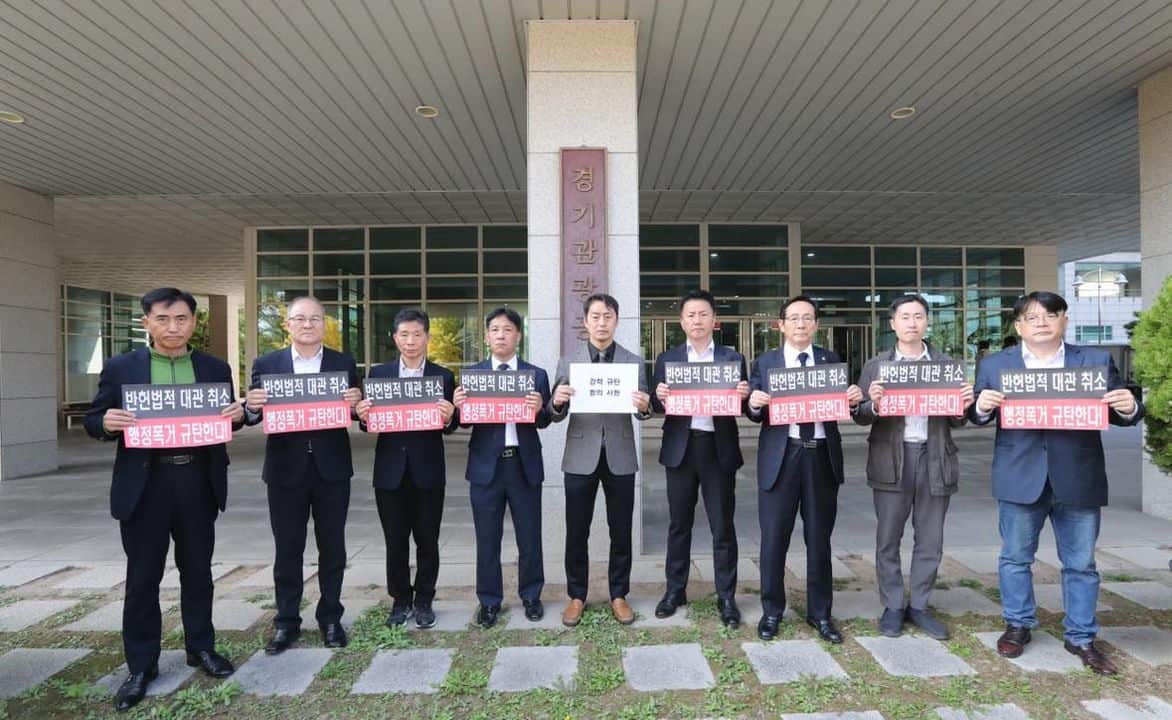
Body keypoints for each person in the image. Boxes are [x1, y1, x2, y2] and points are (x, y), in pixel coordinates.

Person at [86, 287, 244, 712]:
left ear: (194, 322)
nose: (172, 327)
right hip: (146, 482)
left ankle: (201, 647)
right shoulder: (122, 368)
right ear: (147, 323)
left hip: (197, 478)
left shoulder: (213, 367)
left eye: (181, 319)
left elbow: (229, 416)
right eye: (163, 319)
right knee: (143, 577)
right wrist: (104, 421)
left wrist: (239, 414)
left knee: (198, 571)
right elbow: (92, 417)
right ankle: (141, 664)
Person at [970, 291, 1143, 675]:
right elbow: (976, 412)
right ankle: (1018, 624)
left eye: (1051, 315)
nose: (1042, 322)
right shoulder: (998, 364)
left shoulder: (1094, 361)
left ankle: (1081, 636)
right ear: (1019, 327)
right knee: (1015, 558)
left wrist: (1130, 408)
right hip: (1019, 475)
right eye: (1032, 317)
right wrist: (982, 407)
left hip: (1078, 475)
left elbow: (1121, 410)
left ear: (1064, 320)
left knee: (1081, 563)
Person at [852, 294, 974, 639]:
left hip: (934, 456)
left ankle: (919, 605)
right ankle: (892, 604)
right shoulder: (876, 366)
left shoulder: (946, 365)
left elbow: (958, 419)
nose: (911, 322)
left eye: (918, 316)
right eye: (904, 316)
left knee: (930, 539)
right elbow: (859, 415)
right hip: (892, 457)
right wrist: (872, 403)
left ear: (927, 322)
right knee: (888, 537)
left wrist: (962, 405)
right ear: (893, 324)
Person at [244, 296, 361, 655]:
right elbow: (254, 414)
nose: (307, 325)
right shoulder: (267, 364)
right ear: (288, 325)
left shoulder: (343, 363)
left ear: (324, 324)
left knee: (333, 548)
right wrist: (251, 406)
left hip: (332, 469)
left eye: (314, 319)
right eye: (300, 319)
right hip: (284, 470)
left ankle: (330, 618)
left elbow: (359, 413)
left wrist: (357, 403)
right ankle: (286, 622)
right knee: (288, 549)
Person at [747, 295, 863, 643]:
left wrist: (852, 397)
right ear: (780, 325)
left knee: (819, 540)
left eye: (807, 318)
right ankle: (771, 612)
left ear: (816, 325)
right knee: (773, 541)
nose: (800, 324)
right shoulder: (765, 363)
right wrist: (753, 403)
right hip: (781, 459)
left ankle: (821, 614)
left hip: (820, 457)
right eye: (793, 318)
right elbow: (753, 409)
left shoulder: (829, 361)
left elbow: (843, 404)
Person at [548, 293, 652, 626]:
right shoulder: (569, 361)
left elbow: (643, 414)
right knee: (576, 531)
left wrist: (644, 406)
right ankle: (576, 595)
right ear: (586, 320)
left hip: (620, 455)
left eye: (607, 316)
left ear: (616, 321)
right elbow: (554, 413)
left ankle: (619, 594)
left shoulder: (634, 362)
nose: (601, 322)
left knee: (620, 530)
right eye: (595, 316)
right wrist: (558, 401)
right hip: (580, 455)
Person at [650, 289, 750, 628]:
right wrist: (659, 396)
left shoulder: (731, 359)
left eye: (703, 314)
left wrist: (743, 395)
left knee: (723, 527)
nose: (697, 320)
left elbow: (745, 405)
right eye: (690, 315)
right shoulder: (667, 359)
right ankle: (675, 591)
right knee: (679, 525)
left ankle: (726, 596)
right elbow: (654, 403)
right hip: (681, 449)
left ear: (714, 320)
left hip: (718, 448)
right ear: (682, 321)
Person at [355, 308, 457, 629]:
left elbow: (450, 426)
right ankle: (400, 599)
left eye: (417, 334)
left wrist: (449, 416)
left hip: (428, 471)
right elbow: (369, 424)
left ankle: (425, 599)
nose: (410, 341)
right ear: (394, 337)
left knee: (428, 539)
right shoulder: (380, 374)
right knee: (395, 540)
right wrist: (361, 414)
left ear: (427, 337)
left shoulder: (442, 376)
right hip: (390, 472)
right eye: (404, 335)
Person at [453, 307, 552, 628]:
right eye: (494, 329)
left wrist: (540, 409)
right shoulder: (473, 375)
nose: (500, 335)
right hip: (486, 468)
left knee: (529, 537)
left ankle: (531, 595)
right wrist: (457, 407)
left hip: (523, 466)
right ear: (486, 336)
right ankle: (489, 601)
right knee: (487, 539)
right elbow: (461, 423)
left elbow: (545, 420)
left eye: (507, 329)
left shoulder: (536, 375)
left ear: (518, 335)